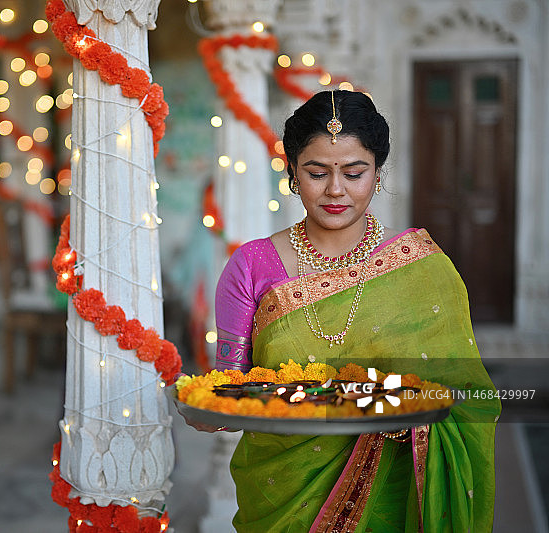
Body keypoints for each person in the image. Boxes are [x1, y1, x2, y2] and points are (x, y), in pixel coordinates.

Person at [201, 90, 500, 532]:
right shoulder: (251, 266)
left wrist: (409, 420)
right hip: (284, 493)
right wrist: (211, 409)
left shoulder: (422, 265)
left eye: (354, 173)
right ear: (292, 172)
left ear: (377, 172)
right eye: (317, 173)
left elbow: (467, 397)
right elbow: (230, 388)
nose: (335, 190)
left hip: (395, 498)